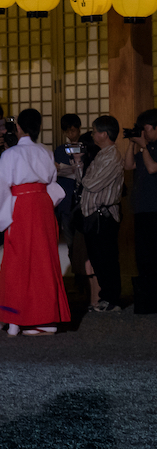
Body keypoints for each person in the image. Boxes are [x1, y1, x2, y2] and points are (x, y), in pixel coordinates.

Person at [0, 108, 69, 335]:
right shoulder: (45, 152)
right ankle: (47, 319)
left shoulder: (11, 154)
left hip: (20, 206)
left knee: (16, 260)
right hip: (42, 205)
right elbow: (52, 180)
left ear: (19, 127)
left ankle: (16, 320)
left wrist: (5, 207)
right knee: (44, 260)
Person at [79, 114, 127, 313]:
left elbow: (91, 183)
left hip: (104, 215)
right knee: (98, 258)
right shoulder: (102, 154)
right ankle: (106, 298)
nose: (92, 134)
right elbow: (87, 179)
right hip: (95, 215)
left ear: (104, 134)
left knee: (106, 258)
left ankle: (112, 299)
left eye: (95, 130)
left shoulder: (112, 156)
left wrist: (84, 175)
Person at [132, 109, 157, 314]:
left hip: (154, 209)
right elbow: (128, 165)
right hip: (141, 209)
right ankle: (148, 300)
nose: (143, 132)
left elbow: (152, 168)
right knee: (143, 257)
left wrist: (144, 148)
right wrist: (134, 143)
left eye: (146, 128)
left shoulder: (150, 149)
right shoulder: (144, 147)